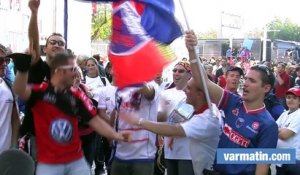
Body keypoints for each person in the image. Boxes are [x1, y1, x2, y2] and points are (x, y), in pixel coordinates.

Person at [11, 52, 130, 175]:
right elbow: (19, 90)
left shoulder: (77, 96)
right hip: (49, 163)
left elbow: (96, 122)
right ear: (59, 71)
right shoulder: (39, 93)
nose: (75, 73)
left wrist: (117, 135)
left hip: (76, 162)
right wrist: (23, 69)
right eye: (72, 69)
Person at [185, 30, 278, 175]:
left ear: (266, 88)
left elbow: (262, 168)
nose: (245, 83)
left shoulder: (269, 125)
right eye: (246, 78)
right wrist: (192, 51)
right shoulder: (233, 102)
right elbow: (203, 82)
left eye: (252, 81)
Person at [120, 78, 222, 175]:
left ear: (200, 94)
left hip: (200, 164)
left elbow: (174, 129)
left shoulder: (208, 118)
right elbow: (173, 124)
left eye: (189, 88)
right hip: (176, 154)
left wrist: (138, 121)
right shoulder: (207, 110)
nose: (184, 89)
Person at [111, 82, 160, 175]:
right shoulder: (121, 88)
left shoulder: (152, 86)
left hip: (142, 157)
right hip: (119, 154)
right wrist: (111, 137)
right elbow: (116, 113)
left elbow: (149, 92)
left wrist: (132, 76)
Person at [0, 44, 20, 153]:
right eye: (0, 60)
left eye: (6, 60)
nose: (4, 64)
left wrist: (13, 144)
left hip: (5, 156)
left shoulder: (8, 86)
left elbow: (15, 119)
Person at [276, 87, 300, 175]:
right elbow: (271, 129)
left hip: (293, 160)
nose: (291, 100)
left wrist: (279, 130)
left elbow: (285, 135)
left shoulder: (299, 115)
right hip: (281, 159)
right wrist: (280, 130)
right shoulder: (284, 113)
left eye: (295, 98)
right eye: (289, 97)